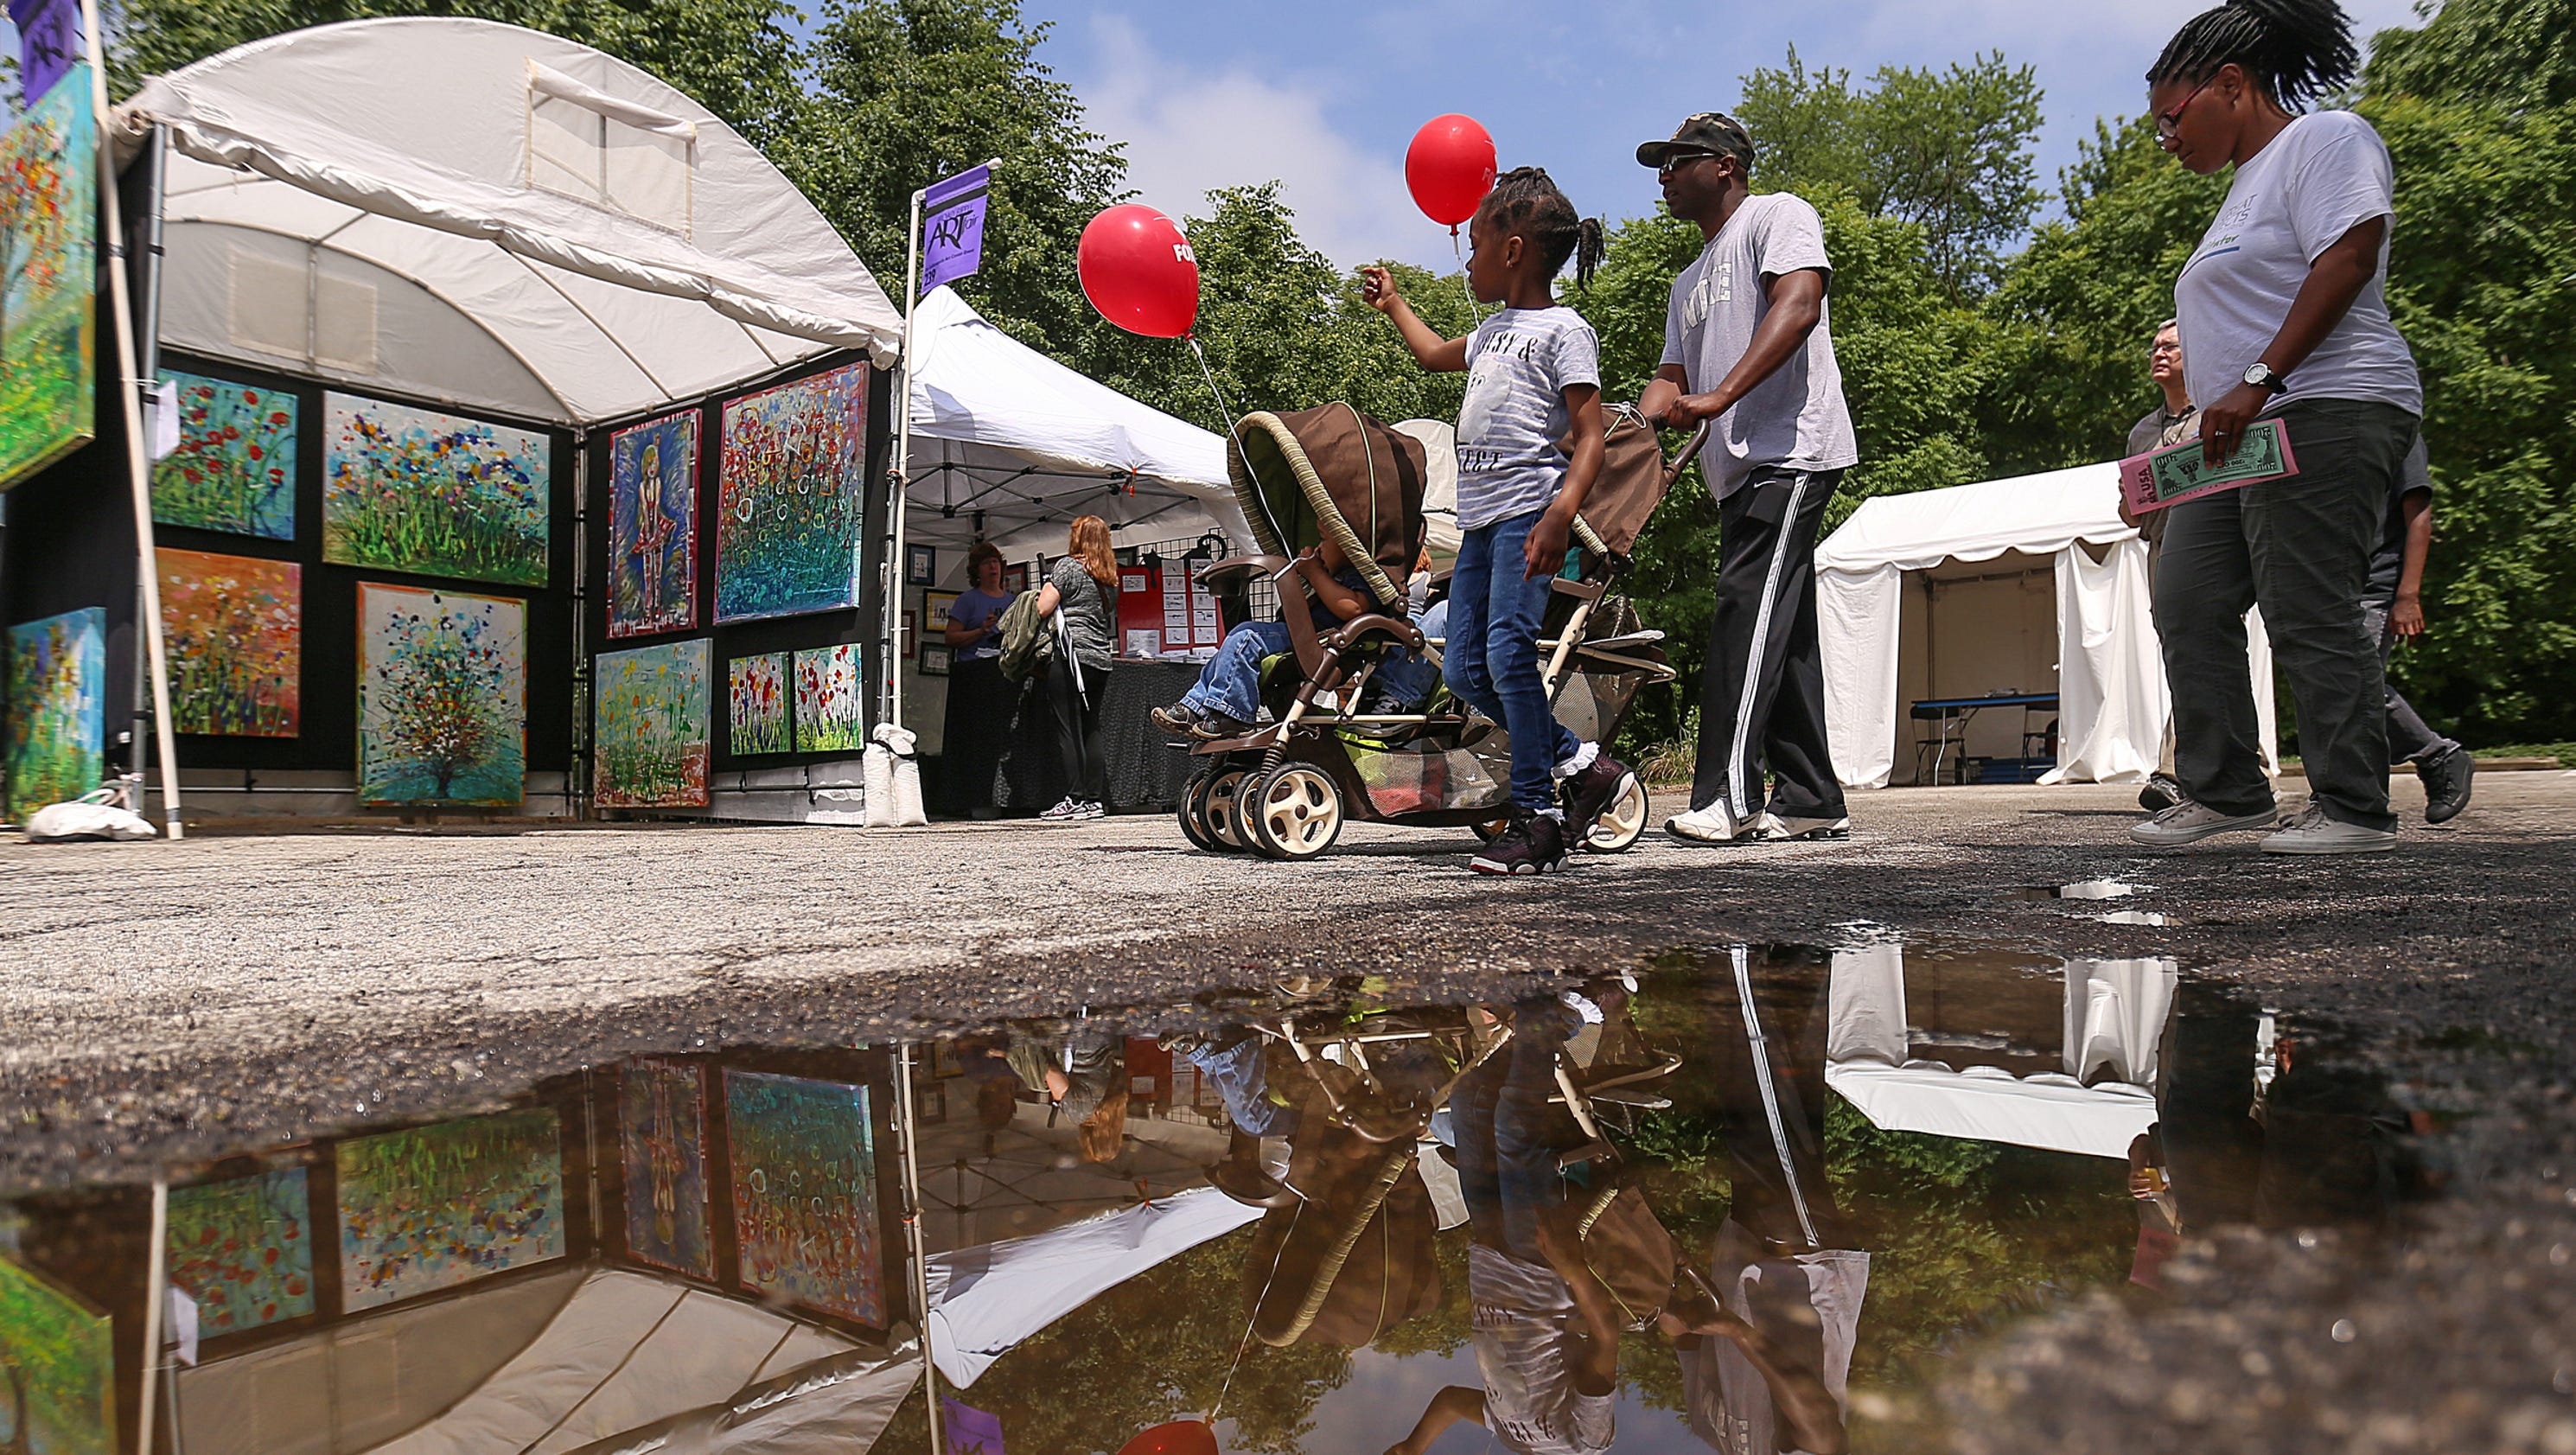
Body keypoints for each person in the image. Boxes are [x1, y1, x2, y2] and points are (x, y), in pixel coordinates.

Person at [2133, 0, 2422, 856]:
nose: (2166, 139)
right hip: (2241, 434)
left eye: (2171, 119)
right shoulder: (2238, 192)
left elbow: (2349, 254)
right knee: (2185, 598)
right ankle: (2226, 793)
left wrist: (2261, 377)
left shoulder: (2326, 140)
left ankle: (2353, 808)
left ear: (2231, 84)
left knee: (2308, 606)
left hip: (2327, 402)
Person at [1361, 168, 1636, 875]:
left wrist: (1560, 515)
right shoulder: (1489, 334)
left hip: (1526, 517)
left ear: (1513, 251)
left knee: (1509, 656)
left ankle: (1538, 818)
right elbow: (1429, 356)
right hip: (1482, 525)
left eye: (1475, 244)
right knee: (1463, 666)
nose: (1469, 257)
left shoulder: (1564, 331)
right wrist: (1395, 304)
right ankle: (1584, 764)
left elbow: (1592, 435)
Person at [1634, 113, 1859, 846]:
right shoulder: (1686, 282)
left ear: (1726, 164)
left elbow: (1799, 305)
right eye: (1659, 165)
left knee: (1743, 608)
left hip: (1790, 448)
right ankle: (1813, 797)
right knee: (1780, 626)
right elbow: (1669, 379)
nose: (1663, 176)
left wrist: (1722, 393)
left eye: (1676, 161)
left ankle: (1726, 797)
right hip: (1735, 470)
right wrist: (1628, 442)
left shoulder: (1777, 215)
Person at [1148, 533, 1388, 738]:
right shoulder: (1335, 575)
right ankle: (1195, 705)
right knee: (1232, 646)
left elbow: (1353, 608)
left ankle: (1235, 715)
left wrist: (1314, 572)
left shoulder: (1359, 574)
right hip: (1303, 634)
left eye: (1324, 539)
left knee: (1246, 638)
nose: (1318, 548)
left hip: (1320, 639)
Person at [2364, 439, 2474, 822]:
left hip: (2374, 584)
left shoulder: (2398, 433)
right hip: (2327, 583)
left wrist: (2408, 595)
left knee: (2357, 685)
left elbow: (2419, 516)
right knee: (2328, 688)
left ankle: (2437, 755)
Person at [2129, 319, 2202, 814]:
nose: (2158, 354)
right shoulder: (2142, 432)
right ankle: (2206, 769)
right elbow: (2131, 512)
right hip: (2161, 548)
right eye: (2154, 347)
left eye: (2170, 347)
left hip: (2213, 547)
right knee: (2183, 655)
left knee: (2203, 652)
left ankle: (2177, 771)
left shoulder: (2216, 415)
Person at [1032, 515, 1117, 821]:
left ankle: (1074, 797)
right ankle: (1094, 801)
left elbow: (1043, 607)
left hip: (1071, 655)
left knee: (1068, 727)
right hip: (1100, 658)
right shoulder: (1109, 576)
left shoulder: (1067, 567)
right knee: (1091, 726)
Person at [942, 542, 1017, 818]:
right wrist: (980, 631)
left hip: (1005, 677)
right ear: (977, 570)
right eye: (987, 563)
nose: (993, 567)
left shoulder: (1011, 601)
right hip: (974, 678)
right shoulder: (967, 601)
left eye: (996, 562)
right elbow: (950, 638)